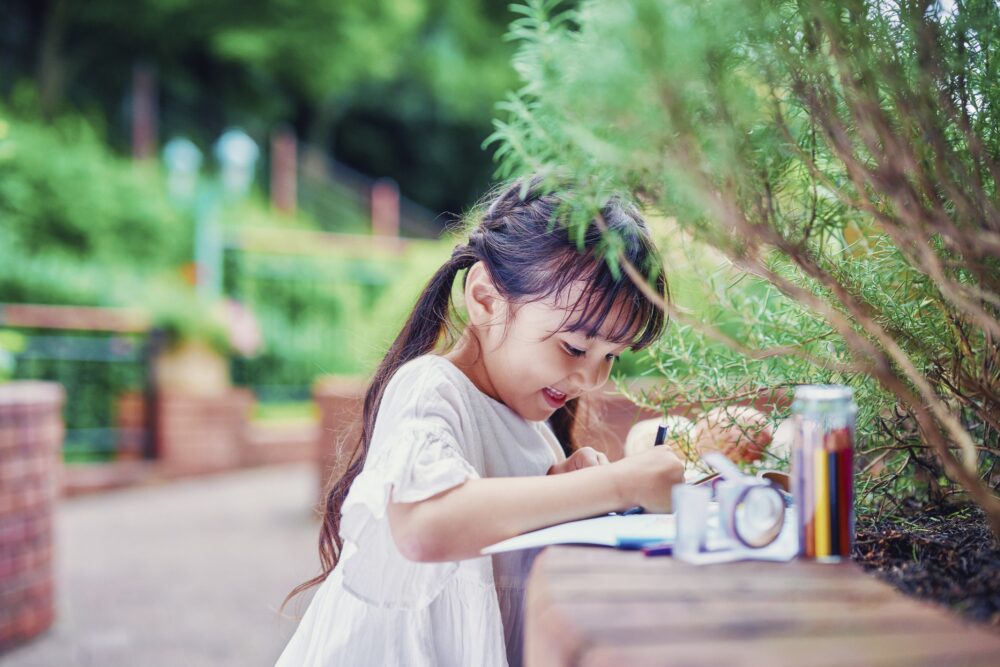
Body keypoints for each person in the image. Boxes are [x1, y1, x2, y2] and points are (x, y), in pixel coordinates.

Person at [275, 177, 685, 667]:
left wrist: (562, 490)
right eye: (574, 347)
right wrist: (619, 485)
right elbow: (427, 526)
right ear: (486, 300)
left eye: (611, 357)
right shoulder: (432, 386)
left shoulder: (534, 430)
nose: (590, 378)